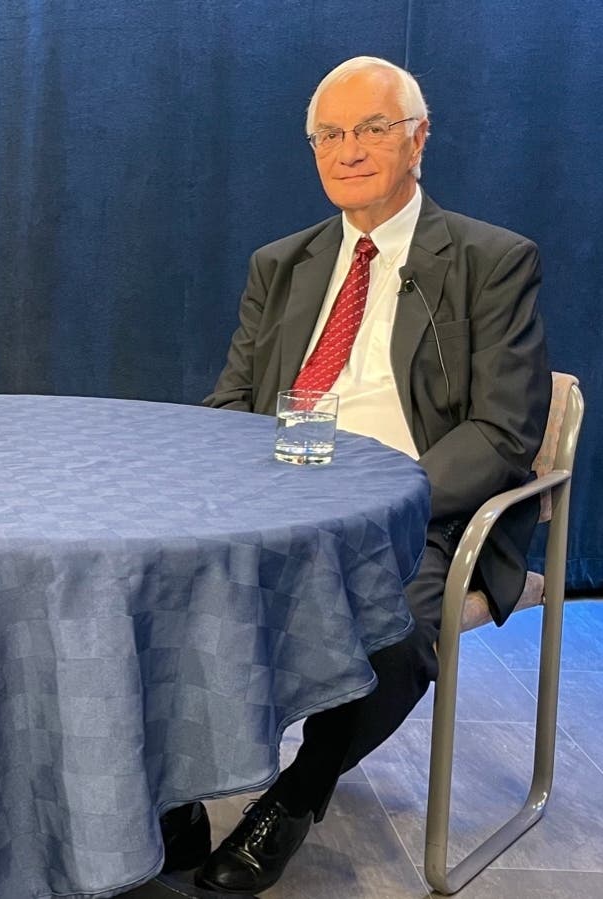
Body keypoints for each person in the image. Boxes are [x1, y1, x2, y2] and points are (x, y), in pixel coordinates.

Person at [189, 57, 550, 893]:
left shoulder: (491, 262)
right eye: (330, 134)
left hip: (417, 510)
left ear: (417, 137)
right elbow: (235, 397)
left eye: (372, 128)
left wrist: (382, 495)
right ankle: (171, 793)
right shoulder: (279, 263)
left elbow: (503, 431)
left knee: (387, 628)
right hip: (274, 494)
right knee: (150, 576)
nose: (349, 149)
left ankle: (293, 798)